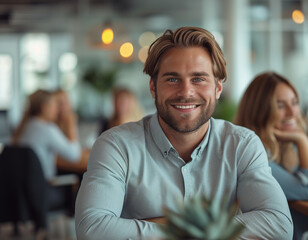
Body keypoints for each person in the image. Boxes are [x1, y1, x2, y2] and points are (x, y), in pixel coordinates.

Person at [75, 27, 293, 240]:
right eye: (172, 79)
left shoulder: (242, 144)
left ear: (218, 88)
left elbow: (279, 224)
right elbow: (92, 229)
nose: (186, 92)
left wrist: (170, 228)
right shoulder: (116, 146)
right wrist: (210, 231)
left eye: (198, 79)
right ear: (153, 87)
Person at [233, 71, 308, 239]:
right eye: (280, 105)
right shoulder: (255, 157)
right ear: (259, 112)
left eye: (294, 102)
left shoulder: (283, 151)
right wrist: (302, 139)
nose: (292, 112)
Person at [11, 89, 82, 237]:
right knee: (81, 181)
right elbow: (75, 155)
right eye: (55, 105)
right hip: (44, 193)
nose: (57, 109)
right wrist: (71, 123)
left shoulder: (24, 128)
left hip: (21, 196)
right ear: (44, 107)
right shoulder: (47, 129)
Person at [54, 89, 90, 174]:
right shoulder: (51, 127)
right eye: (60, 103)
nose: (65, 106)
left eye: (66, 101)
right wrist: (71, 124)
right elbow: (74, 155)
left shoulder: (64, 122)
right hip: (60, 174)